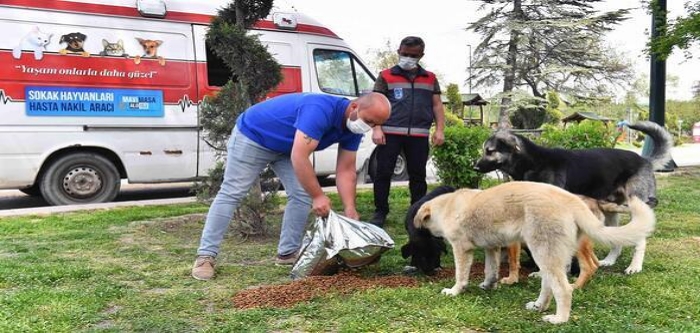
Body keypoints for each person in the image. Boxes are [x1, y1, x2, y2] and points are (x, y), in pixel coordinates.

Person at [191, 92, 391, 281]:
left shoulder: (353, 128)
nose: (370, 127)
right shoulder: (320, 110)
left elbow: (346, 169)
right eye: (370, 121)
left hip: (287, 147)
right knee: (232, 192)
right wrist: (318, 196)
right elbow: (299, 156)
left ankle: (287, 252)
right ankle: (205, 256)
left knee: (301, 194)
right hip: (254, 135)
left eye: (377, 125)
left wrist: (349, 207)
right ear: (354, 106)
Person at [369, 36, 445, 227]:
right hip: (389, 133)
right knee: (383, 173)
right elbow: (375, 104)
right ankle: (380, 212)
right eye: (404, 54)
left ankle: (417, 212)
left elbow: (437, 106)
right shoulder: (385, 76)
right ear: (399, 51)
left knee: (418, 176)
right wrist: (377, 128)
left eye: (413, 55)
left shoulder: (430, 78)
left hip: (419, 134)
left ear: (421, 55)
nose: (408, 58)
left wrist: (440, 130)